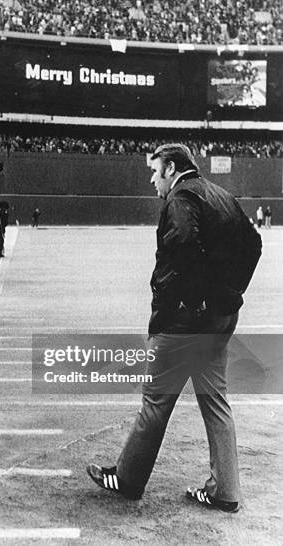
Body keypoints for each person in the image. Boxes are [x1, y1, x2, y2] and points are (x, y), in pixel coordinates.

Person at [87, 144, 262, 513]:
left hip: (185, 321)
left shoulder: (181, 196)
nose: (153, 180)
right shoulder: (221, 195)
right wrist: (228, 293)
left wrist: (195, 299)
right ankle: (225, 491)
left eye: (155, 171)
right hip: (219, 318)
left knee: (156, 399)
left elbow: (183, 245)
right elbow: (254, 243)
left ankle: (129, 479)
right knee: (215, 401)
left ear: (170, 168)